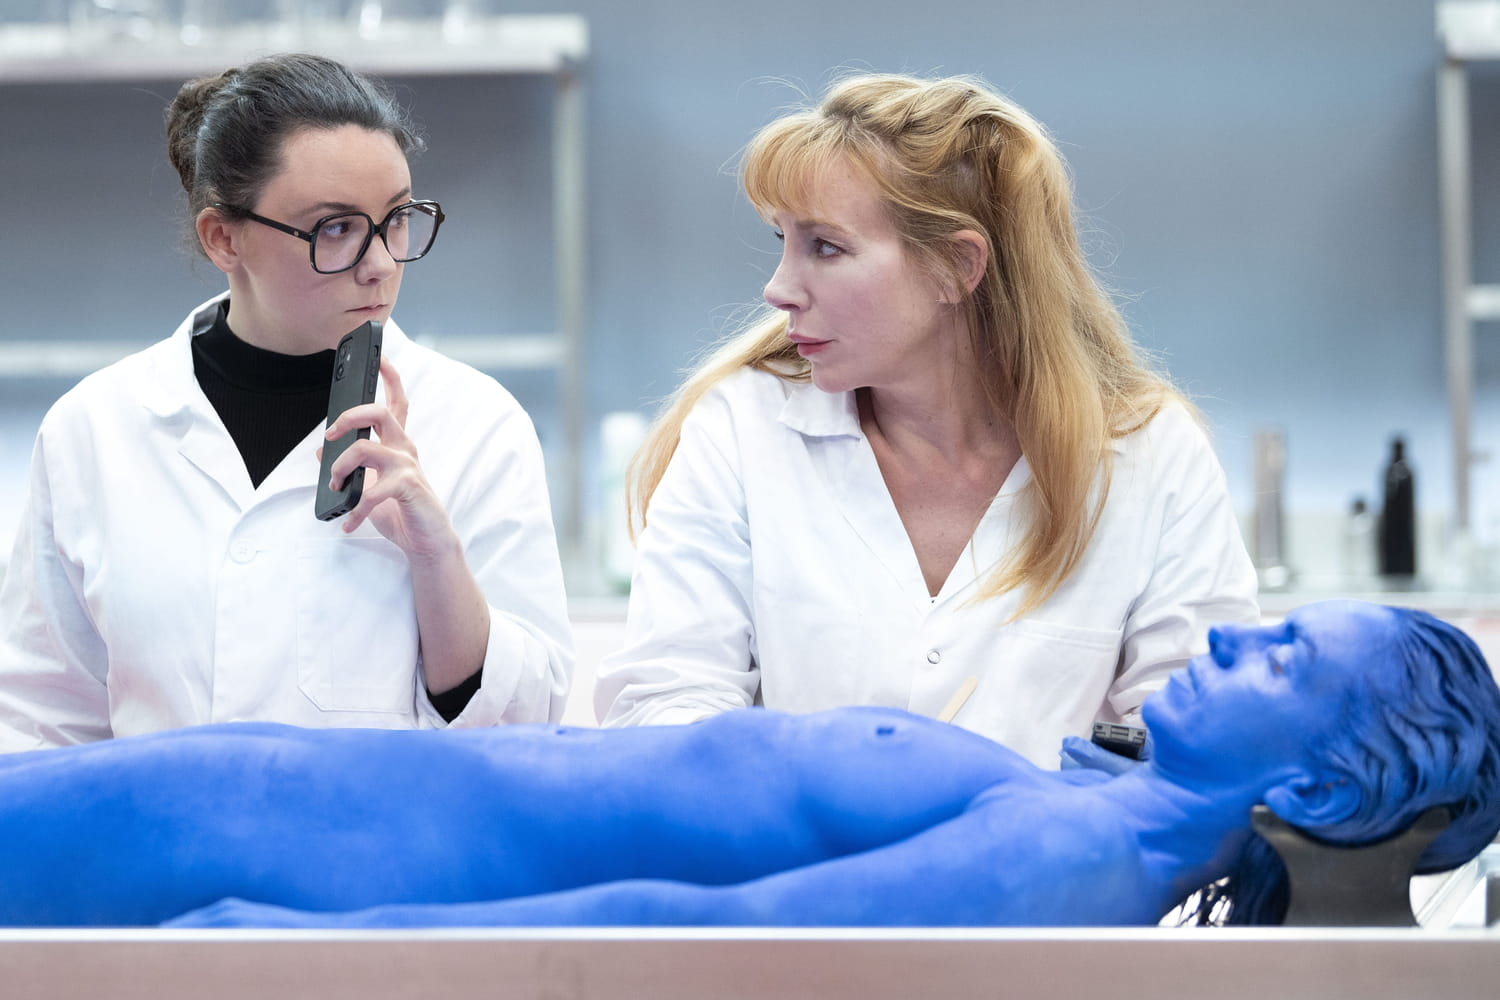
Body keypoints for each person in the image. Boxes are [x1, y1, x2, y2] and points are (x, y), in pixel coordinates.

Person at [0, 600, 1493, 929]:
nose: (1236, 636)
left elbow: (708, 945)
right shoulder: (1100, 814)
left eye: (1284, 661)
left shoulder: (1084, 861)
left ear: (1319, 788)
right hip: (299, 813)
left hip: (304, 864)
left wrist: (311, 956)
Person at [592, 73, 1258, 765]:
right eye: (781, 241)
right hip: (804, 868)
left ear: (955, 266)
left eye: (825, 246)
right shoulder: (743, 426)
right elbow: (664, 703)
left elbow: (1200, 746)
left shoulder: (1147, 454)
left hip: (1060, 870)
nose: (778, 288)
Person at [0, 54, 572, 749]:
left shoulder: (477, 423)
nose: (381, 263)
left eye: (396, 219)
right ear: (224, 238)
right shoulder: (94, 430)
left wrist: (435, 557)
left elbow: (528, 726)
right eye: (335, 228)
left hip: (386, 854)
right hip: (160, 853)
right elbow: (39, 723)